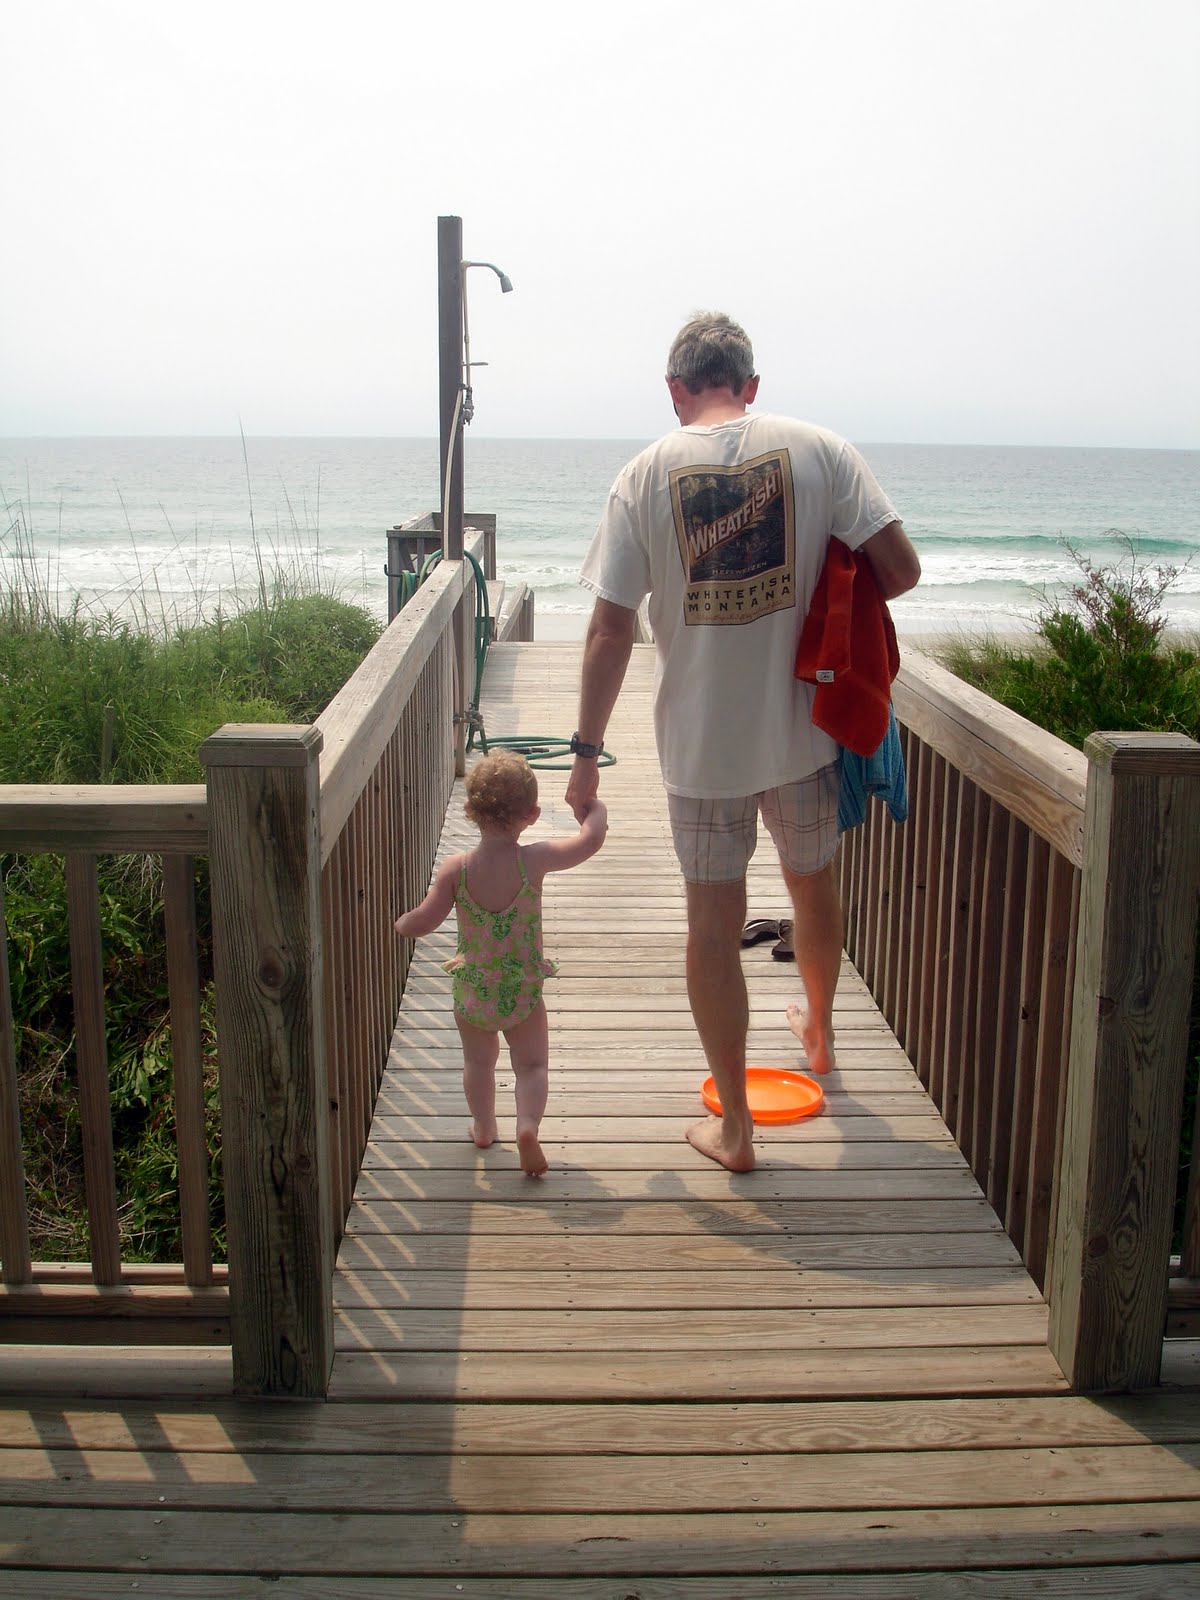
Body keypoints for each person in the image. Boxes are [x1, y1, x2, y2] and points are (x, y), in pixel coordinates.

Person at [565, 312, 921, 1173]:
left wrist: (585, 753)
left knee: (713, 926)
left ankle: (736, 1131)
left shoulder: (642, 474)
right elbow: (901, 570)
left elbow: (610, 629)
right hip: (805, 730)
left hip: (700, 749)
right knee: (812, 886)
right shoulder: (822, 449)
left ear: (674, 388)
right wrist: (825, 572)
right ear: (751, 385)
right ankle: (822, 1032)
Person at [395, 749, 607, 1176]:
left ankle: (484, 1126)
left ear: (471, 810)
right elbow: (589, 842)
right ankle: (527, 1126)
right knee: (531, 1065)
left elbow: (425, 920)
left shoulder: (458, 868)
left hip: (473, 990)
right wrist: (595, 810)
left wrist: (401, 924)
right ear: (531, 814)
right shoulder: (534, 861)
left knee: (478, 1063)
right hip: (522, 991)